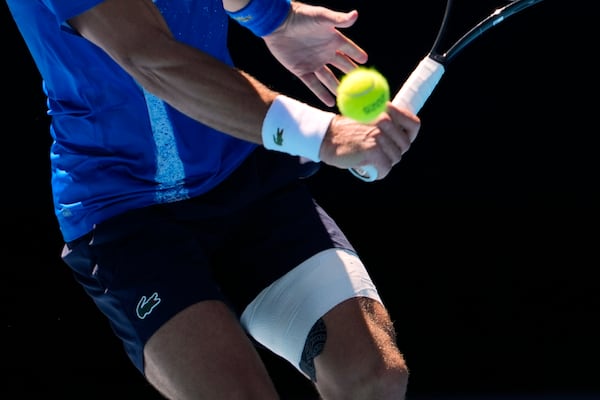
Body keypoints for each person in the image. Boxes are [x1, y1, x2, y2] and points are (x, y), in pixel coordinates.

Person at [6, 0, 420, 398]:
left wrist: (273, 15)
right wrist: (324, 135)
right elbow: (148, 55)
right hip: (124, 213)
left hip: (240, 174)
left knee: (372, 378)